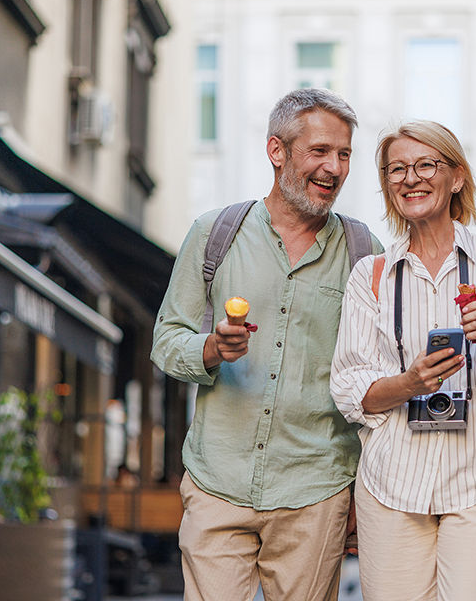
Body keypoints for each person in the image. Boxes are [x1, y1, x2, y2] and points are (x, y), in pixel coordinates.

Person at [151, 88, 382, 601]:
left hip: (316, 489)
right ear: (277, 152)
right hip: (217, 482)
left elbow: (375, 382)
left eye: (344, 154)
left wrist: (365, 496)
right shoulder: (216, 234)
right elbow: (167, 340)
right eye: (319, 151)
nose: (335, 168)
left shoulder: (365, 254)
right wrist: (211, 350)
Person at [329, 120, 476, 600]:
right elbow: (351, 387)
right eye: (396, 170)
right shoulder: (370, 276)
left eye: (425, 165)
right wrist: (410, 382)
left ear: (456, 177)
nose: (410, 178)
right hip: (393, 481)